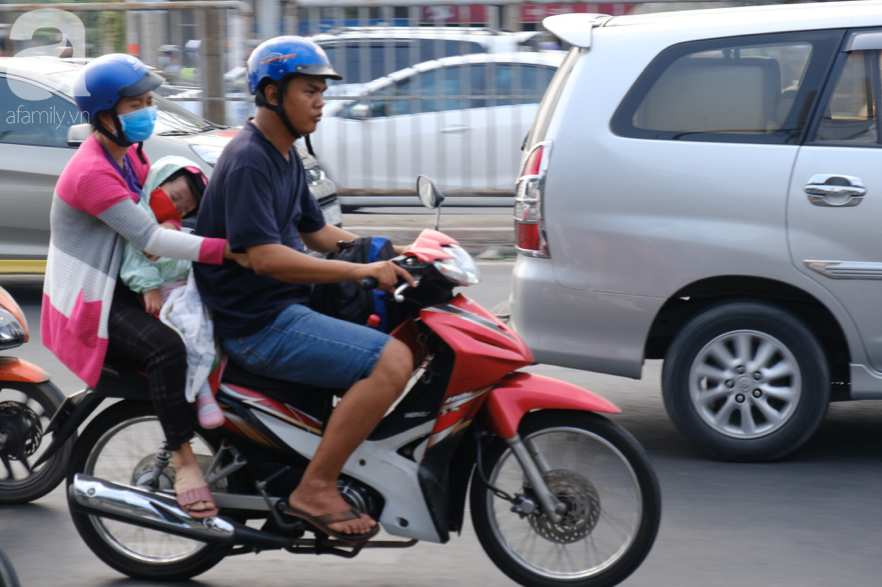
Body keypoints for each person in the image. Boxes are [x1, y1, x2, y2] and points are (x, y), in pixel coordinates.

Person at [193, 36, 414, 542]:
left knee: (407, 326)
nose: (320, 102)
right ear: (272, 95)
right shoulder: (250, 159)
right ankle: (315, 487)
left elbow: (318, 234)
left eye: (323, 92)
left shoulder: (284, 154)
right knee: (392, 361)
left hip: (283, 306)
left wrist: (393, 253)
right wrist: (360, 272)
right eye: (309, 91)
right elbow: (268, 258)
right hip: (257, 323)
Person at [41, 54, 248, 519]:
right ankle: (184, 459)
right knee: (168, 350)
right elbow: (151, 236)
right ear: (106, 115)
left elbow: (164, 210)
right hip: (92, 299)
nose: (147, 111)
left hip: (127, 276)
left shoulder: (130, 153)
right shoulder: (91, 173)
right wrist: (228, 249)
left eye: (151, 100)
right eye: (137, 103)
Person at [119, 156, 224, 430]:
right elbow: (132, 260)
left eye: (184, 208)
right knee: (191, 329)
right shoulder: (138, 217)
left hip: (185, 286)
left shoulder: (167, 223)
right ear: (157, 181)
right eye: (175, 196)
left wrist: (173, 225)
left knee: (211, 325)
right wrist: (148, 288)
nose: (177, 208)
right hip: (164, 294)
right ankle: (202, 394)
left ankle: (210, 385)